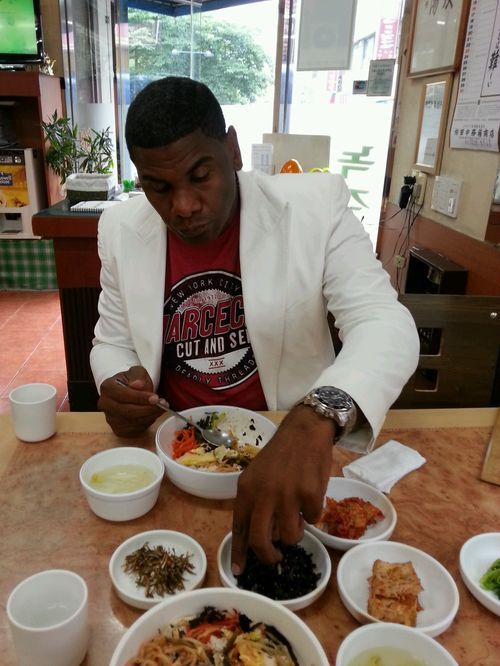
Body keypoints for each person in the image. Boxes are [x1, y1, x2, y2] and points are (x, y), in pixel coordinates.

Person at [90, 76, 419, 574]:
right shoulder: (119, 229)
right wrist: (119, 382)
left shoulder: (314, 207)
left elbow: (384, 321)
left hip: (288, 460)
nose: (183, 206)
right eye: (160, 187)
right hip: (176, 465)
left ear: (232, 150)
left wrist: (317, 415)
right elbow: (111, 341)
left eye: (201, 175)